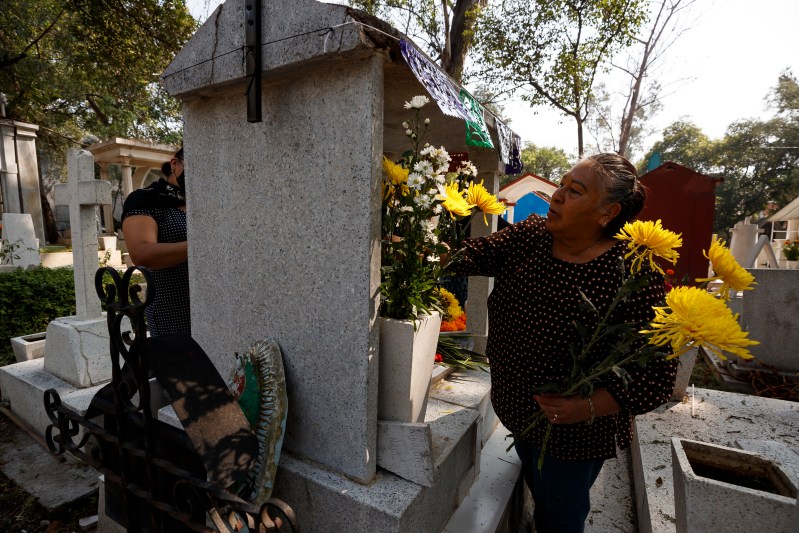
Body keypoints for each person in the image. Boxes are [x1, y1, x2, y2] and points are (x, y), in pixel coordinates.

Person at [452, 153, 677, 533]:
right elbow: (472, 255)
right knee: (539, 489)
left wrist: (585, 406)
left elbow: (657, 374)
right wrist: (411, 244)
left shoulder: (632, 272)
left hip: (574, 438)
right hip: (518, 413)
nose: (557, 195)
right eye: (562, 184)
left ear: (607, 212)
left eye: (575, 191)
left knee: (560, 517)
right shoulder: (532, 236)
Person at [121, 148, 190, 336]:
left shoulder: (207, 200)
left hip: (216, 304)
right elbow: (142, 253)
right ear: (174, 164)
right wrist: (200, 247)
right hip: (173, 312)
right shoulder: (145, 200)